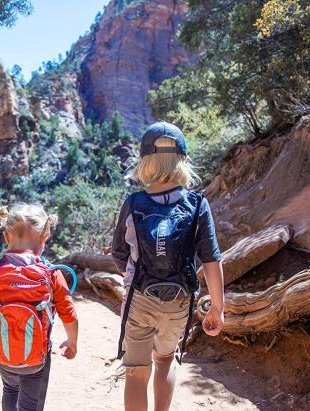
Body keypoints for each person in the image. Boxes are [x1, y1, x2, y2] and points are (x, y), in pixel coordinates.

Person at [112, 121, 225, 411]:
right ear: (182, 160)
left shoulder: (133, 202)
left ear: (144, 162)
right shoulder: (198, 203)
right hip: (180, 300)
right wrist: (217, 308)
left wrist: (134, 273)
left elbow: (118, 252)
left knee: (136, 372)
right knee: (165, 359)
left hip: (141, 297)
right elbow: (211, 257)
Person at [0, 203, 79, 411]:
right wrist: (72, 341)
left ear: (7, 237)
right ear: (44, 237)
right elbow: (68, 312)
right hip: (37, 357)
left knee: (9, 390)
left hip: (4, 354)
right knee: (30, 404)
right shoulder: (50, 272)